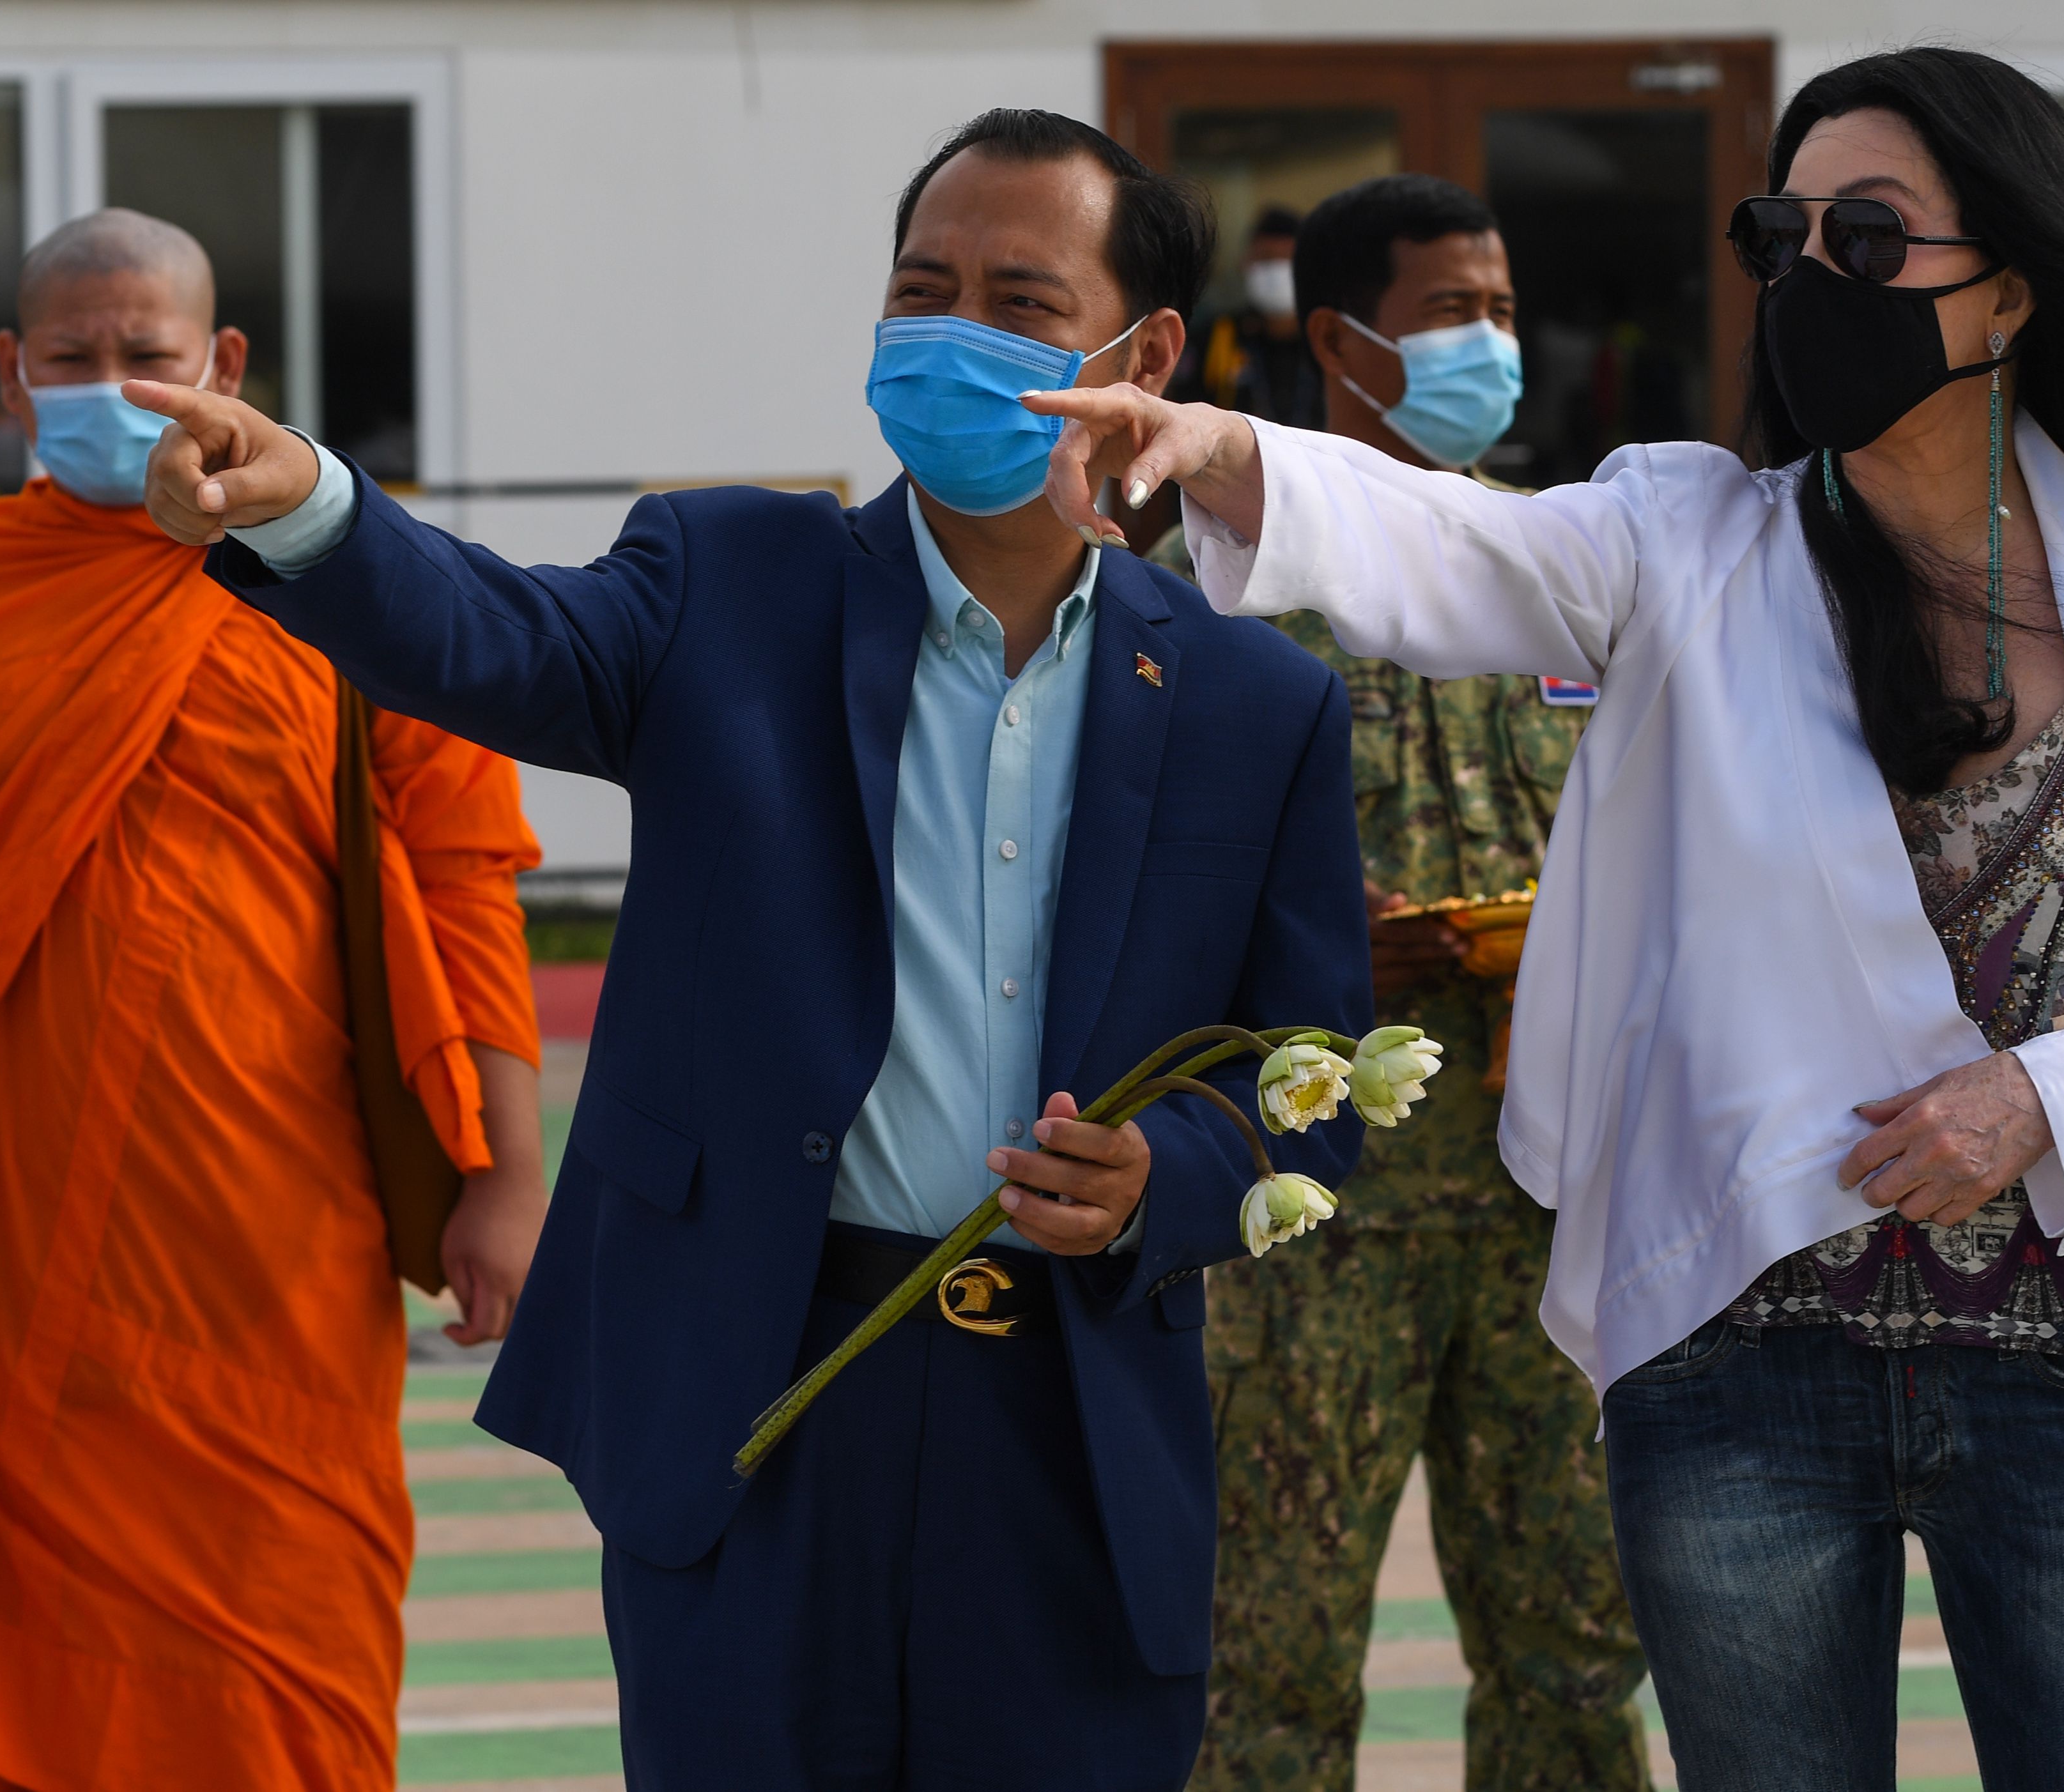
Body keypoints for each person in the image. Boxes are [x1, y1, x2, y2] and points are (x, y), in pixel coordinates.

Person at [1035, 47, 2064, 1789]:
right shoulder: (1685, 539)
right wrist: (1215, 446)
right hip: (1741, 1364)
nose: (1818, 274)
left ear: (2017, 285)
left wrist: (2055, 1104)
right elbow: (1459, 545)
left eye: (1874, 235)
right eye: (1788, 232)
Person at [130, 111, 1369, 1788]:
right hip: (761, 1389)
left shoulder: (1251, 696)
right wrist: (315, 509)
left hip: (1073, 1430)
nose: (953, 334)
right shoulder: (730, 577)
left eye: (1019, 299)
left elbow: (1311, 1078)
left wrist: (1171, 1168)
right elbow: (499, 634)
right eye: (921, 287)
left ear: (1143, 351)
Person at [0, 209, 546, 1791]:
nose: (109, 388)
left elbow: (467, 866)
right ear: (13, 379)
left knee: (291, 1671)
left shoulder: (351, 582)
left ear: (221, 365)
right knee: (28, 1705)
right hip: (10, 1291)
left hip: (280, 1249)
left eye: (144, 357)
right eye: (69, 360)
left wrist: (504, 1172)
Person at [1187, 173, 1650, 1792]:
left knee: (1581, 1664)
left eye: (1505, 312)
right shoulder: (1226, 581)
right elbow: (1139, 898)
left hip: (1550, 1216)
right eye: (1456, 312)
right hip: (1317, 1232)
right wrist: (1318, 947)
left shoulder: (1567, 562)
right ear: (1342, 338)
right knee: (1264, 1672)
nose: (1493, 345)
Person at [1172, 204, 1324, 432]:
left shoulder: (1328, 339)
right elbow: (1182, 414)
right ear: (1245, 264)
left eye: (1288, 261)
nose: (1277, 272)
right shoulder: (1215, 336)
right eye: (1266, 259)